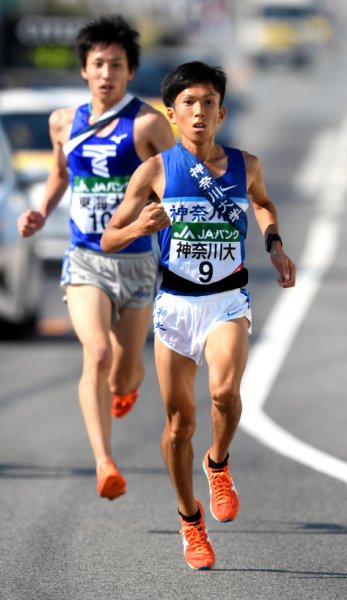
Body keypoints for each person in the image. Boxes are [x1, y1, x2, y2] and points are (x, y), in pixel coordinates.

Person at [101, 61, 296, 568]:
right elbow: (109, 237)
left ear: (222, 111)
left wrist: (274, 244)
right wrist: (139, 227)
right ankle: (190, 521)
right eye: (189, 103)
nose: (199, 112)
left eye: (209, 102)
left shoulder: (245, 164)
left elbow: (264, 203)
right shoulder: (155, 171)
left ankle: (219, 464)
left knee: (223, 392)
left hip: (228, 299)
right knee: (177, 425)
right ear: (172, 114)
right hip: (176, 305)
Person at [17, 15, 175, 501]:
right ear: (85, 69)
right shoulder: (64, 121)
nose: (107, 73)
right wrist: (41, 211)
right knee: (98, 353)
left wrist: (161, 219)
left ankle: (127, 385)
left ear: (130, 72)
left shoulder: (148, 123)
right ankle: (105, 462)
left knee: (126, 368)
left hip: (138, 263)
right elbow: (60, 174)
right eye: (98, 63)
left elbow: (178, 184)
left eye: (117, 65)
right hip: (85, 258)